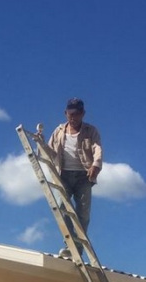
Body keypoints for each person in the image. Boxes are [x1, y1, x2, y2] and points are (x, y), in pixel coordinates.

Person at [46, 97, 103, 258]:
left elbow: (97, 148)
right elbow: (50, 151)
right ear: (66, 113)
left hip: (83, 176)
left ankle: (77, 249)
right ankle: (69, 244)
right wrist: (40, 143)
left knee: (83, 214)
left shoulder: (91, 131)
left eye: (77, 114)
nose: (73, 117)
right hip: (63, 174)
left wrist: (96, 165)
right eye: (70, 114)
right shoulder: (58, 131)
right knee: (62, 207)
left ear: (83, 113)